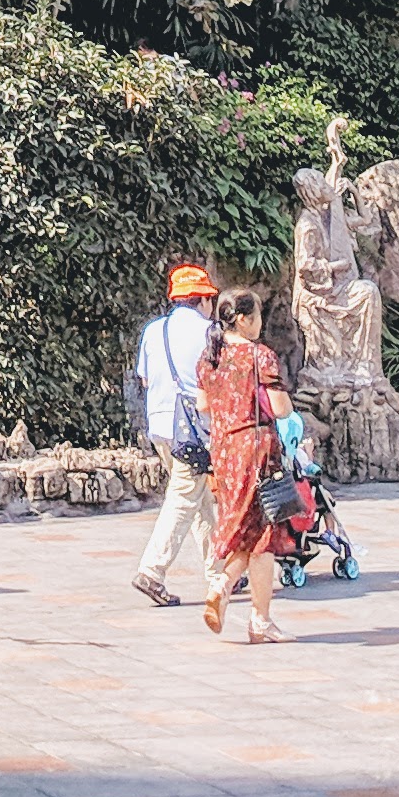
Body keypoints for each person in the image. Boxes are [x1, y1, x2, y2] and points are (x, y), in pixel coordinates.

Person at [195, 284, 294, 644]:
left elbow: (203, 406)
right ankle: (227, 590)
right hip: (256, 449)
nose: (261, 322)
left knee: (251, 530)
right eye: (258, 315)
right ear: (244, 319)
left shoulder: (209, 358)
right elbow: (281, 408)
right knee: (262, 533)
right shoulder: (260, 356)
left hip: (223, 450)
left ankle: (259, 619)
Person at [128, 261, 222, 607]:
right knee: (184, 499)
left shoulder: (154, 331)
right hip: (194, 431)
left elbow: (145, 379)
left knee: (200, 500)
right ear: (202, 300)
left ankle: (221, 573)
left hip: (161, 425)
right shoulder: (209, 333)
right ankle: (152, 571)